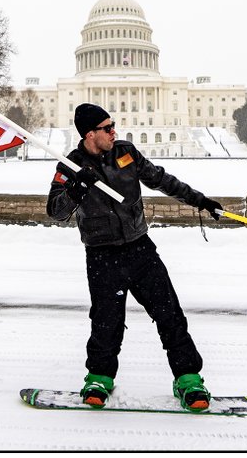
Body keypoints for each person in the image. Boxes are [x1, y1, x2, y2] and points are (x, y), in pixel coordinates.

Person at [48, 103, 224, 411]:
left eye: (113, 125)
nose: (114, 131)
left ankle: (188, 379)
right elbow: (56, 212)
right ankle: (99, 378)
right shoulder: (70, 166)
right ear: (90, 134)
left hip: (139, 248)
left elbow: (161, 179)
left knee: (169, 314)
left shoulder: (125, 152)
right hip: (102, 255)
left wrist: (200, 200)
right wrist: (76, 190)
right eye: (107, 128)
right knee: (106, 321)